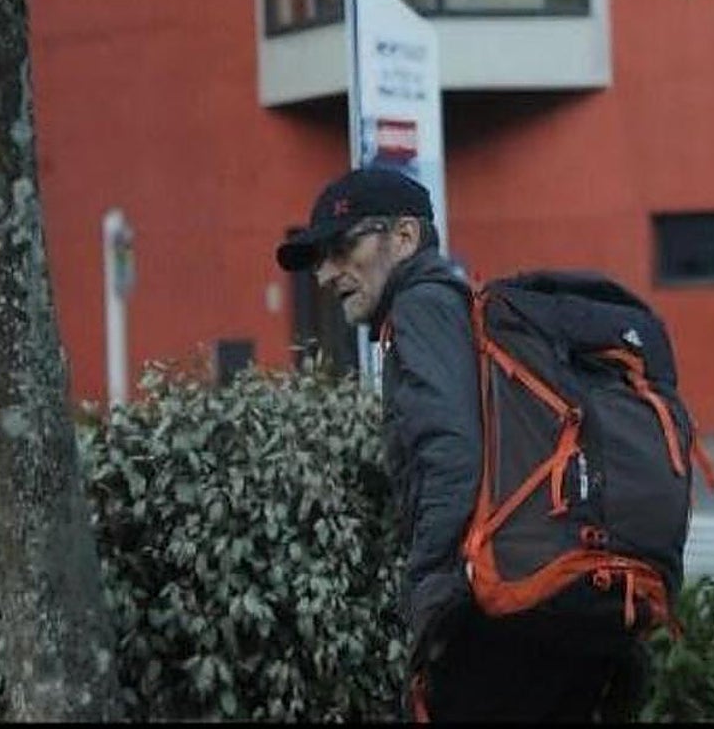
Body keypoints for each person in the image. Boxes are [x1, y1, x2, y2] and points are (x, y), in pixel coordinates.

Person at [275, 167, 646, 723]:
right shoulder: (459, 308)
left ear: (404, 238)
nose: (326, 273)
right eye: (319, 258)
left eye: (341, 246)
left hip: (500, 616)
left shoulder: (420, 308)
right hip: (560, 601)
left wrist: (427, 591)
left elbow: (450, 451)